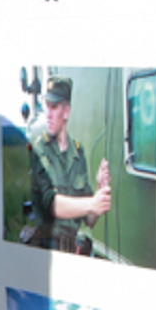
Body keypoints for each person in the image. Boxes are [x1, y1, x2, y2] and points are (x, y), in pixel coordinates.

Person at [28, 74, 112, 253]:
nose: (48, 114)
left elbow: (89, 220)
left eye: (54, 107)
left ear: (66, 111)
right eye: (46, 106)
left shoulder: (77, 152)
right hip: (45, 252)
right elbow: (53, 206)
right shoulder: (40, 149)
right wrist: (93, 203)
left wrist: (99, 189)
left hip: (72, 251)